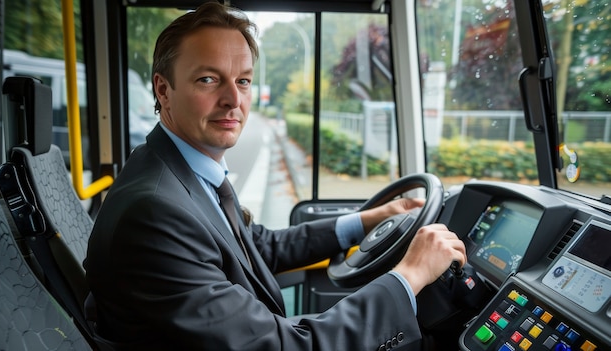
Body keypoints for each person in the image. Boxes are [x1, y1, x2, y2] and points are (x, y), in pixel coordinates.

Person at [84, 2, 467, 350]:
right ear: (163, 90)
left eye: (244, 81)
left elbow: (257, 248)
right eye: (208, 79)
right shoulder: (154, 212)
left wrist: (369, 220)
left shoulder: (182, 169)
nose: (234, 100)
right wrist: (410, 274)